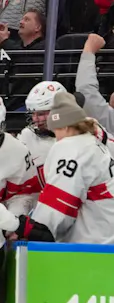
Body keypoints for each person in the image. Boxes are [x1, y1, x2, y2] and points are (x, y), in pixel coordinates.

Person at [30, 92, 114, 245]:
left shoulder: (71, 147)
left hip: (92, 244)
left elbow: (58, 204)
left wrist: (34, 228)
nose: (56, 137)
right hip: (106, 237)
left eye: (56, 131)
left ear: (66, 126)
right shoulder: (93, 142)